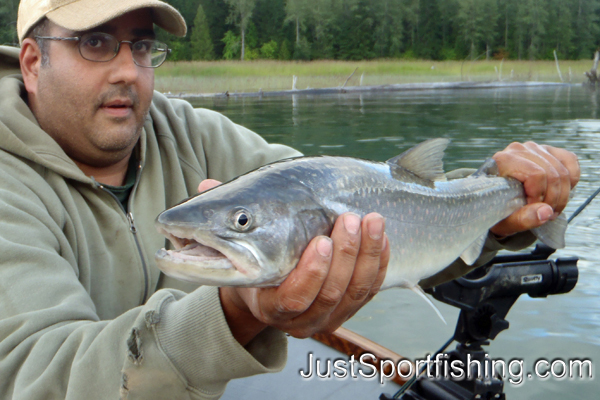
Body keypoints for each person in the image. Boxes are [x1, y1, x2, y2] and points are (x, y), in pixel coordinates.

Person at [0, 0, 579, 399]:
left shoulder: (188, 132)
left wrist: (499, 213)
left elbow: (379, 207)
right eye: (97, 43)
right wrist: (235, 311)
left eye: (142, 45)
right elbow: (36, 376)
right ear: (32, 61)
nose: (129, 71)